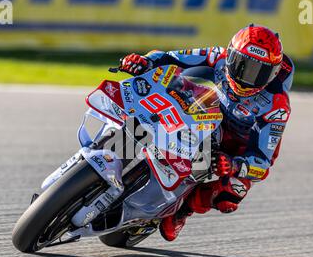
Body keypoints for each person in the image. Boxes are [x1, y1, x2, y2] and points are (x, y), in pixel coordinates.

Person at [119, 24, 294, 241]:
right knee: (149, 108)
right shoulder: (216, 55)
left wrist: (235, 164)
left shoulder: (276, 105)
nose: (246, 77)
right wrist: (145, 62)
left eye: (259, 72)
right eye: (242, 65)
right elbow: (169, 57)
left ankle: (182, 209)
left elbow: (263, 163)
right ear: (230, 55)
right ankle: (115, 148)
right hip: (198, 111)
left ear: (273, 73)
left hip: (233, 145)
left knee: (231, 194)